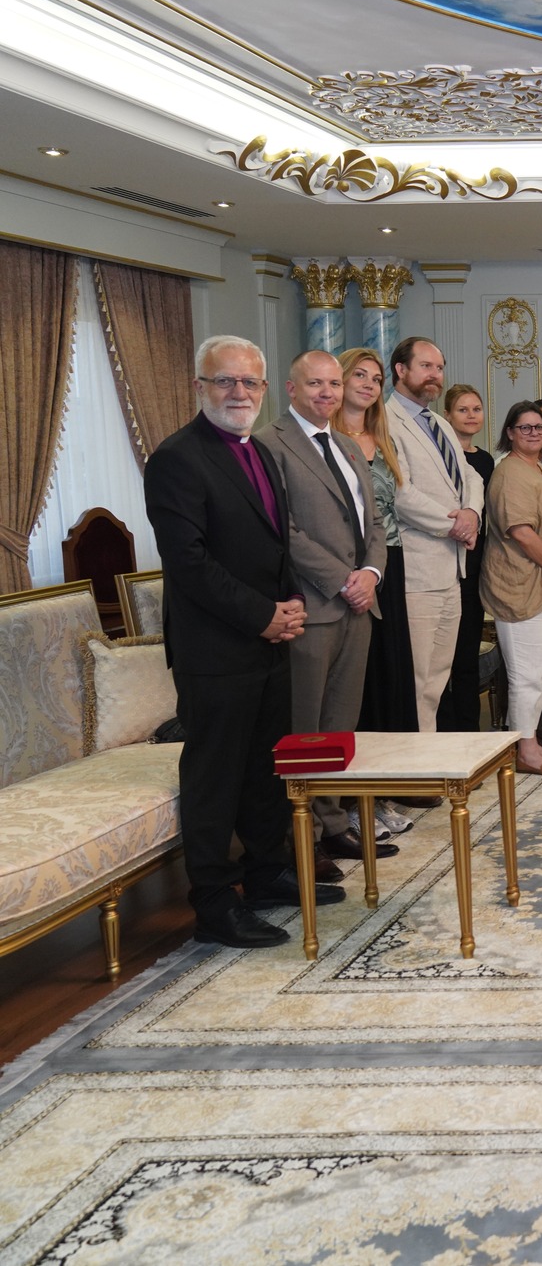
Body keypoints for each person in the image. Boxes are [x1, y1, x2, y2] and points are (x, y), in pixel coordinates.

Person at [143, 335, 339, 949]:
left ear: (262, 389)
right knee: (215, 777)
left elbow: (275, 545)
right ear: (199, 386)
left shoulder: (258, 452)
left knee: (264, 768)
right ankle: (212, 903)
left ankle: (265, 872)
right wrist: (262, 615)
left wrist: (291, 608)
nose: (238, 392)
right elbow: (189, 562)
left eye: (249, 382)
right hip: (216, 650)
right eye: (225, 381)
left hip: (269, 639)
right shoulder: (178, 457)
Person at [255, 351, 395, 866]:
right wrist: (340, 580)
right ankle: (302, 836)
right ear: (290, 389)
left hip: (359, 604)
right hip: (311, 608)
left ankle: (333, 822)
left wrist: (370, 575)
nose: (328, 393)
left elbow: (374, 523)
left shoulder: (346, 444)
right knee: (304, 728)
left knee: (340, 725)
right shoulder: (271, 445)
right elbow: (281, 530)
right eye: (315, 384)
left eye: (334, 384)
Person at [383, 336, 485, 731]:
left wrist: (473, 514)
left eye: (439, 368)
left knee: (438, 678)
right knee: (417, 677)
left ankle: (428, 760)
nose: (434, 375)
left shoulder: (439, 422)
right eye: (425, 366)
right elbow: (400, 491)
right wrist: (455, 525)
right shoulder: (386, 421)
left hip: (451, 570)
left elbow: (472, 476)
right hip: (416, 571)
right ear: (401, 370)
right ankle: (414, 771)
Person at [479, 402, 542, 777]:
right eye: (525, 428)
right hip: (518, 584)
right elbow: (520, 531)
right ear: (511, 433)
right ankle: (524, 750)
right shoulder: (510, 473)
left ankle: (531, 742)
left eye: (540, 427)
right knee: (526, 674)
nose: (534, 433)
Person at [338, 349, 418, 751]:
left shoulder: (384, 439)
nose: (369, 384)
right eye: (360, 375)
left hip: (390, 558)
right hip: (347, 567)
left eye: (376, 378)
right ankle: (358, 789)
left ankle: (397, 777)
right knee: (359, 672)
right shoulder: (325, 439)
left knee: (392, 666)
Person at [436, 383, 493, 737]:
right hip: (443, 566)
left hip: (475, 570)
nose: (471, 416)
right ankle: (443, 730)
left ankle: (470, 731)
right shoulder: (439, 459)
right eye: (463, 410)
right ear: (447, 416)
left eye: (476, 409)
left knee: (467, 656)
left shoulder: (486, 461)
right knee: (441, 659)